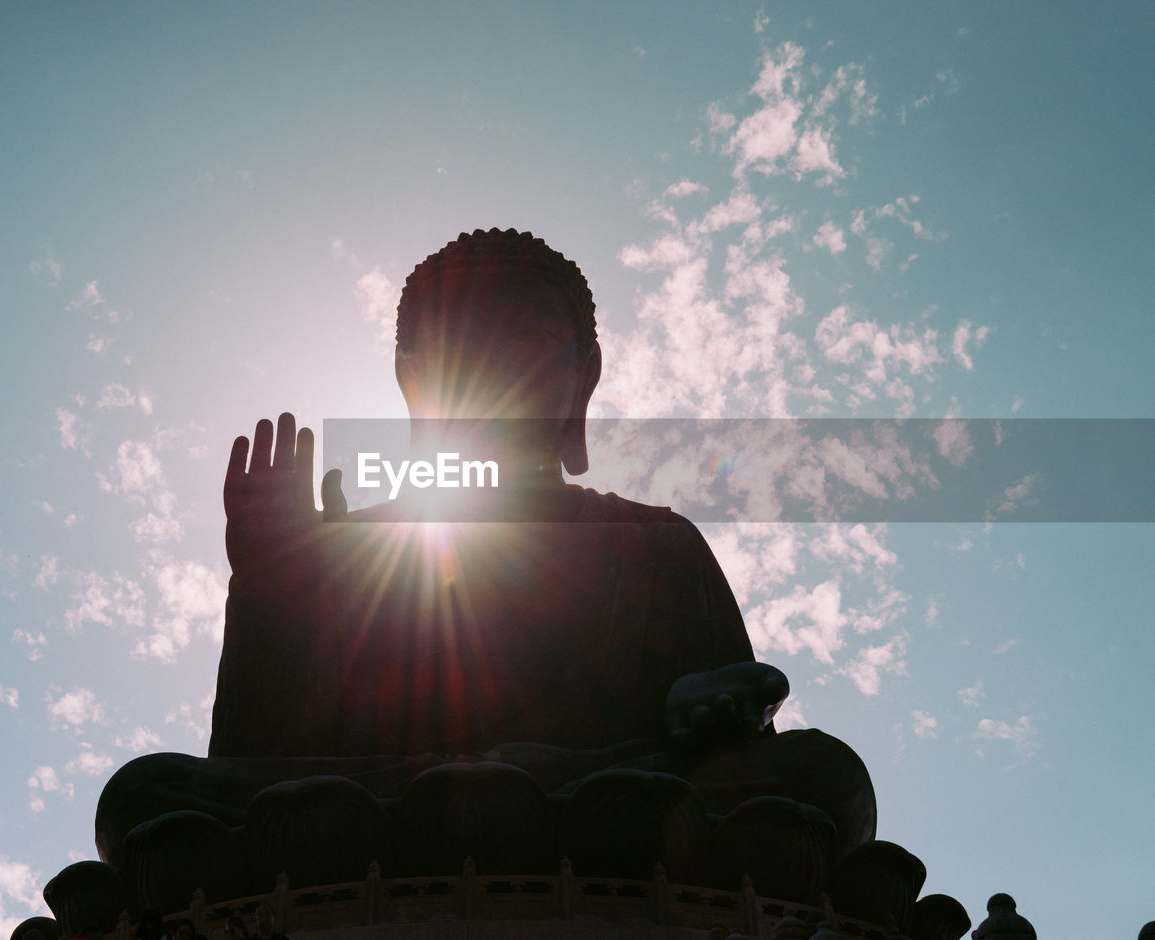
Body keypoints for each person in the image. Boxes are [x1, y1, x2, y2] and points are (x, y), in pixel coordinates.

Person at [96, 228, 874, 869]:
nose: (492, 365)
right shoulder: (350, 556)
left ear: (583, 380)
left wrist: (713, 708)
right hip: (403, 808)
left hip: (608, 793)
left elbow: (742, 746)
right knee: (145, 796)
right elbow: (255, 758)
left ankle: (512, 794)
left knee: (824, 777)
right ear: (413, 382)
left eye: (526, 341)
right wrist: (270, 593)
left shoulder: (653, 542)